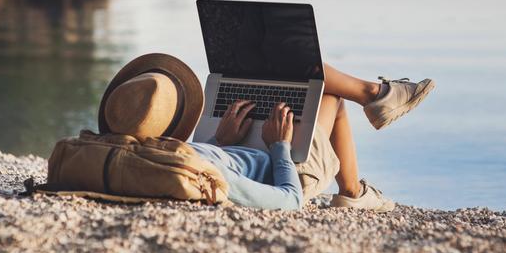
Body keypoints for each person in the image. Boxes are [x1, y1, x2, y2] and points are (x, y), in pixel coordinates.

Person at [98, 54, 435, 212]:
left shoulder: (153, 155)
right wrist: (280, 146)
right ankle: (353, 190)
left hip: (236, 148)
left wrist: (219, 142)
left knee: (297, 69)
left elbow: (205, 157)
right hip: (287, 172)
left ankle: (376, 97)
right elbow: (288, 201)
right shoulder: (196, 169)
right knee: (325, 90)